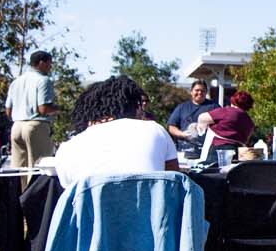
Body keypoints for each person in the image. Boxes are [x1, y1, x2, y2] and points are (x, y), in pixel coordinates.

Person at [51, 77, 180, 188]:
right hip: (151, 215)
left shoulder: (67, 149)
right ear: (134, 106)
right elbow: (174, 183)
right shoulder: (154, 130)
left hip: (93, 217)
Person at [7, 51, 59, 169]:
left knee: (19, 170)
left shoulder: (16, 82)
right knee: (39, 168)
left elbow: (8, 111)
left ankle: (20, 188)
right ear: (41, 63)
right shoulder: (44, 80)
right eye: (49, 63)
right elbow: (43, 109)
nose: (50, 67)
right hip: (36, 126)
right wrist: (59, 109)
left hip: (16, 126)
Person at [203, 90, 258, 154]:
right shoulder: (250, 122)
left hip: (218, 150)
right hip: (237, 151)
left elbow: (203, 118)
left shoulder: (228, 111)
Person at [167, 80, 217, 147]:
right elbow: (171, 127)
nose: (200, 92)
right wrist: (182, 134)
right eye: (197, 90)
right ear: (191, 91)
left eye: (203, 91)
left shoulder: (214, 107)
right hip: (185, 148)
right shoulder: (182, 107)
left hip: (207, 148)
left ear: (206, 92)